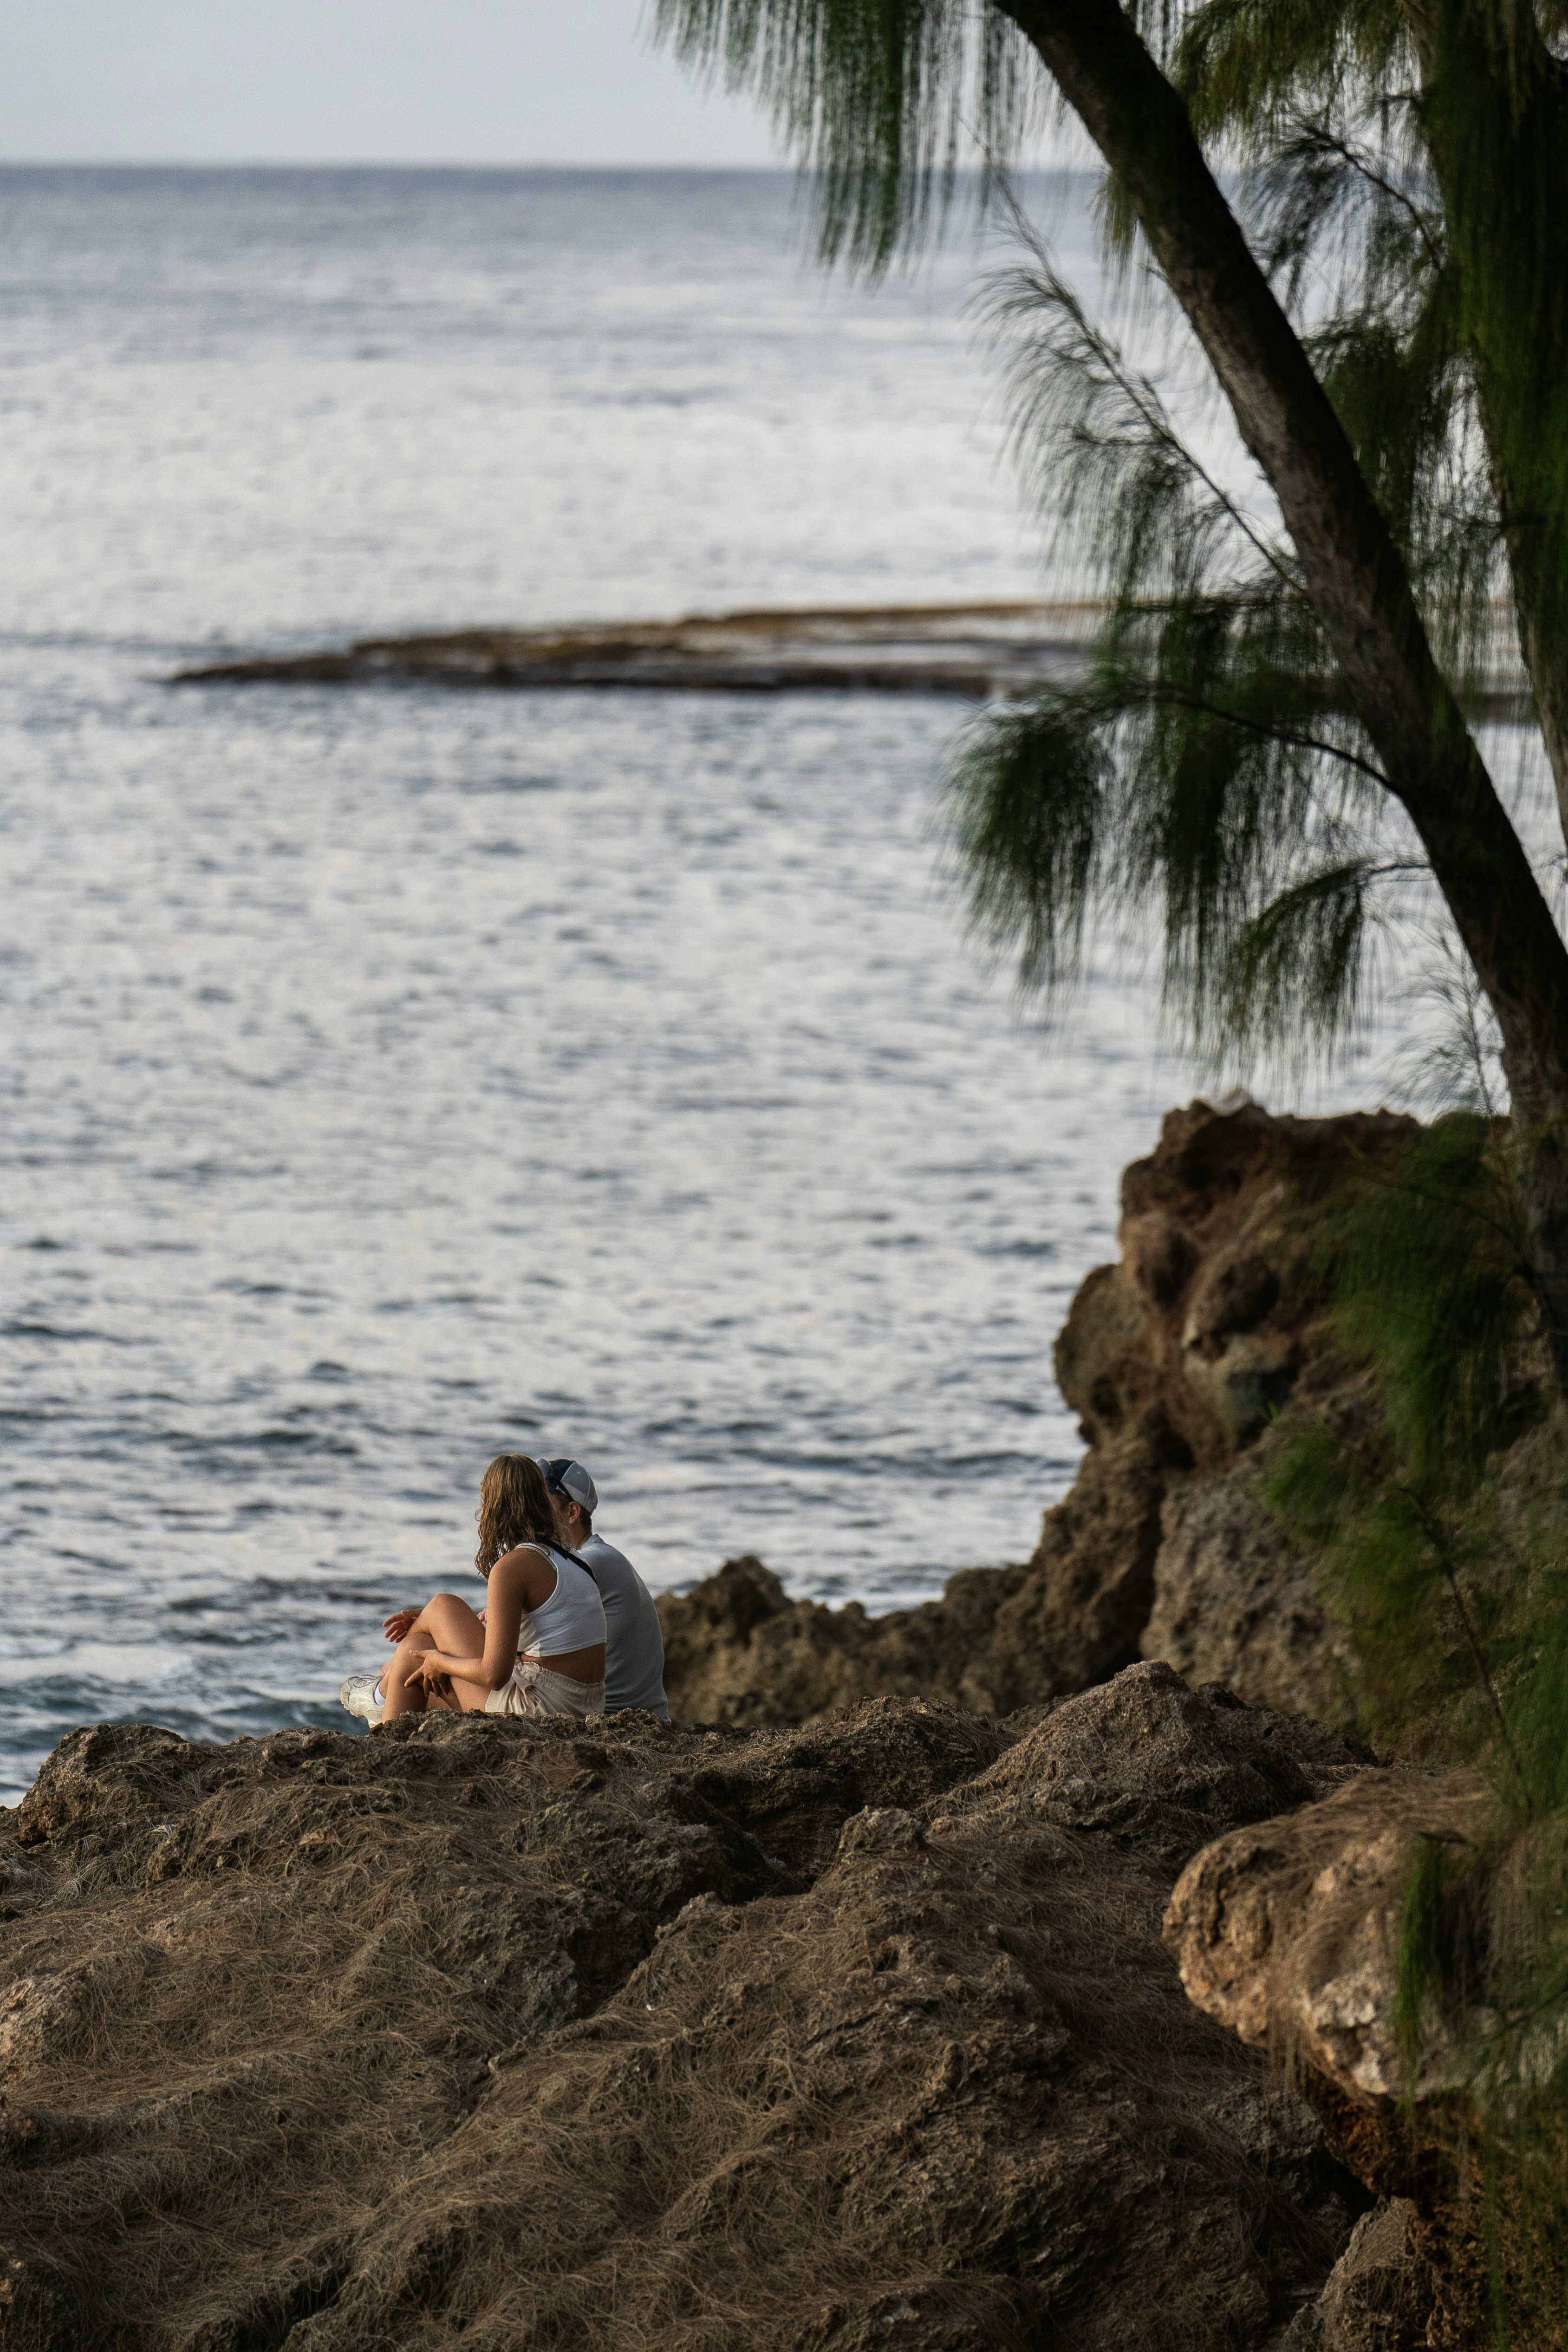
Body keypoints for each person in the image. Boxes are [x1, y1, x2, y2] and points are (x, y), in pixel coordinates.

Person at [339, 1453, 605, 1725]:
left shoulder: (514, 1567)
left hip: (543, 1710)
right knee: (420, 1646)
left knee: (426, 1637)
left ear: (493, 1507)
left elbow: (494, 1675)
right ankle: (383, 1694)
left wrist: (440, 1661)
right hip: (583, 1704)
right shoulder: (574, 1560)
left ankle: (380, 1697)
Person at [535, 1457, 668, 1720]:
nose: (532, 1512)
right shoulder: (601, 1557)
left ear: (572, 1513)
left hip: (614, 1721)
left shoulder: (588, 1562)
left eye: (541, 1504)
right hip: (632, 1717)